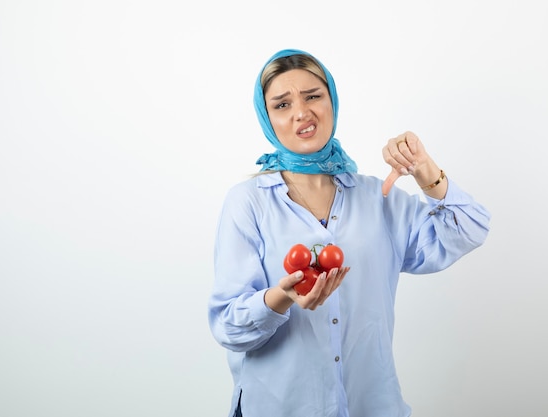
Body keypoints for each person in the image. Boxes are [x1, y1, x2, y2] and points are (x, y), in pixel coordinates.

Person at [207, 48, 491, 417]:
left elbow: (471, 228)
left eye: (313, 96)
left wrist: (425, 171)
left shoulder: (378, 197)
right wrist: (282, 297)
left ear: (332, 102)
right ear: (266, 118)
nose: (301, 113)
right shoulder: (248, 203)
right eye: (282, 104)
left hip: (372, 406)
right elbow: (229, 326)